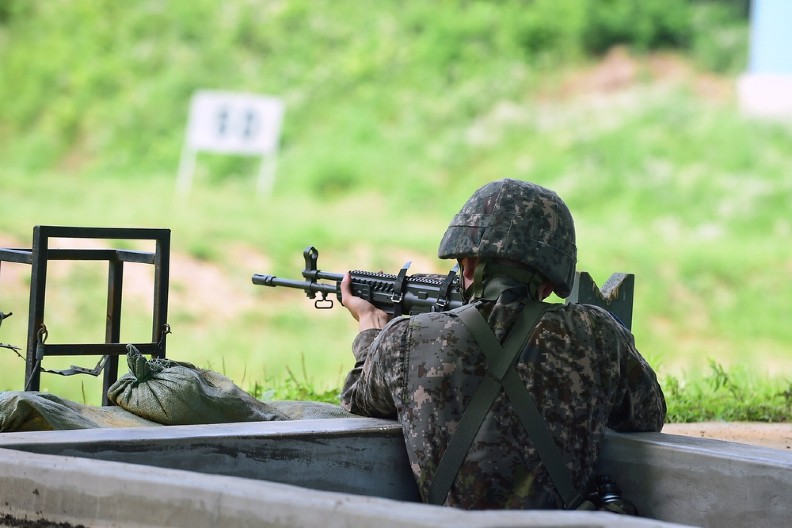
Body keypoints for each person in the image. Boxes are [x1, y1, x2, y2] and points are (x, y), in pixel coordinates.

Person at [339, 178, 666, 510]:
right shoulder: (597, 333)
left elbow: (358, 400)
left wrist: (371, 329)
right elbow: (647, 415)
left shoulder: (403, 339)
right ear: (552, 282)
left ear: (467, 265)